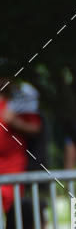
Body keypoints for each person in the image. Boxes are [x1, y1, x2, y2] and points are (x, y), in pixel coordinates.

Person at [0, 70, 42, 212]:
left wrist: (15, 122)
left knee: (12, 211)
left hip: (12, 166)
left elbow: (36, 127)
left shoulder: (17, 103)